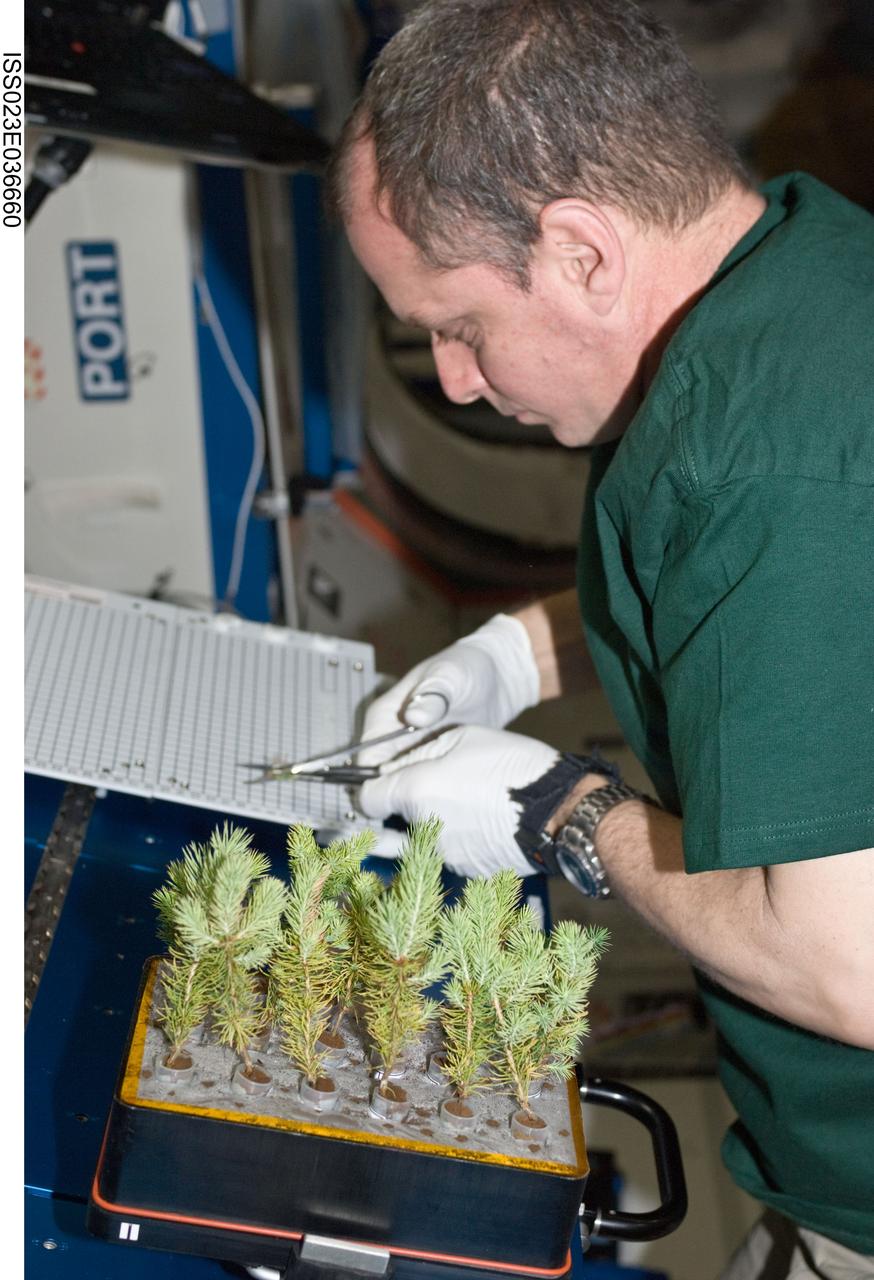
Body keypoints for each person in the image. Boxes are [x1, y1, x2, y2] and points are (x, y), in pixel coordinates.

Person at [326, 1, 874, 1276]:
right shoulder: (801, 270)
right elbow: (738, 606)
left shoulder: (768, 471)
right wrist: (510, 655)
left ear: (580, 252)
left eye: (459, 326)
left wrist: (562, 812)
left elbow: (849, 967)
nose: (456, 380)